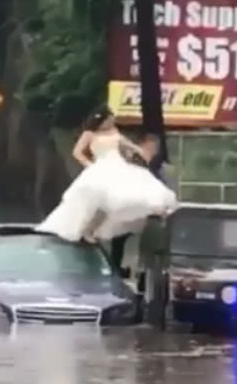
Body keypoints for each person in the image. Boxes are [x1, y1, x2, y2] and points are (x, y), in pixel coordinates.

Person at [36, 108, 178, 244]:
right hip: (101, 166)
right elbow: (77, 152)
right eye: (109, 120)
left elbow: (127, 144)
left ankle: (97, 229)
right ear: (101, 121)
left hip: (118, 165)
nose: (111, 123)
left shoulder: (114, 132)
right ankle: (86, 229)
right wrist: (89, 164)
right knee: (95, 201)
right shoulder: (89, 134)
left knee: (127, 193)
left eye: (112, 120)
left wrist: (140, 151)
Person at [109, 132, 163, 268]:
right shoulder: (132, 164)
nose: (152, 152)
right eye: (149, 148)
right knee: (120, 240)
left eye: (154, 148)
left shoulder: (158, 168)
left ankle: (136, 270)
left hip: (147, 214)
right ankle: (118, 268)